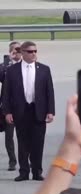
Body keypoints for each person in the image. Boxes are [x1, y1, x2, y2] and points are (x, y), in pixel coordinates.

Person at [3, 41, 55, 182]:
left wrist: (51, 111)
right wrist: (7, 112)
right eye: (30, 52)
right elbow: (6, 93)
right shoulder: (12, 71)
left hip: (38, 111)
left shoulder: (44, 69)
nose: (34, 54)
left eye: (35, 51)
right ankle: (24, 172)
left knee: (38, 143)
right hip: (21, 111)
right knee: (23, 142)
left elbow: (49, 92)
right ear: (23, 53)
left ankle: (37, 172)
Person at [0, 41, 20, 171]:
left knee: (25, 136)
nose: (18, 52)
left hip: (24, 107)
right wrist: (9, 61)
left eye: (20, 49)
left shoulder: (27, 65)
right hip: (9, 109)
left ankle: (27, 160)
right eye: (15, 50)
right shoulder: (4, 66)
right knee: (9, 136)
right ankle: (12, 161)